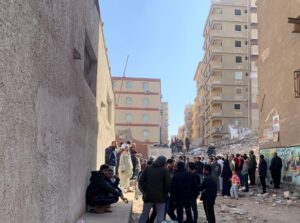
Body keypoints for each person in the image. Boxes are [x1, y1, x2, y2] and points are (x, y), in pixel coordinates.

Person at [138, 156, 171, 223]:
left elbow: (141, 181)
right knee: (160, 215)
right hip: (161, 197)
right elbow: (168, 184)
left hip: (148, 195)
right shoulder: (165, 170)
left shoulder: (148, 168)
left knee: (144, 214)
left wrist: (145, 190)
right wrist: (166, 192)